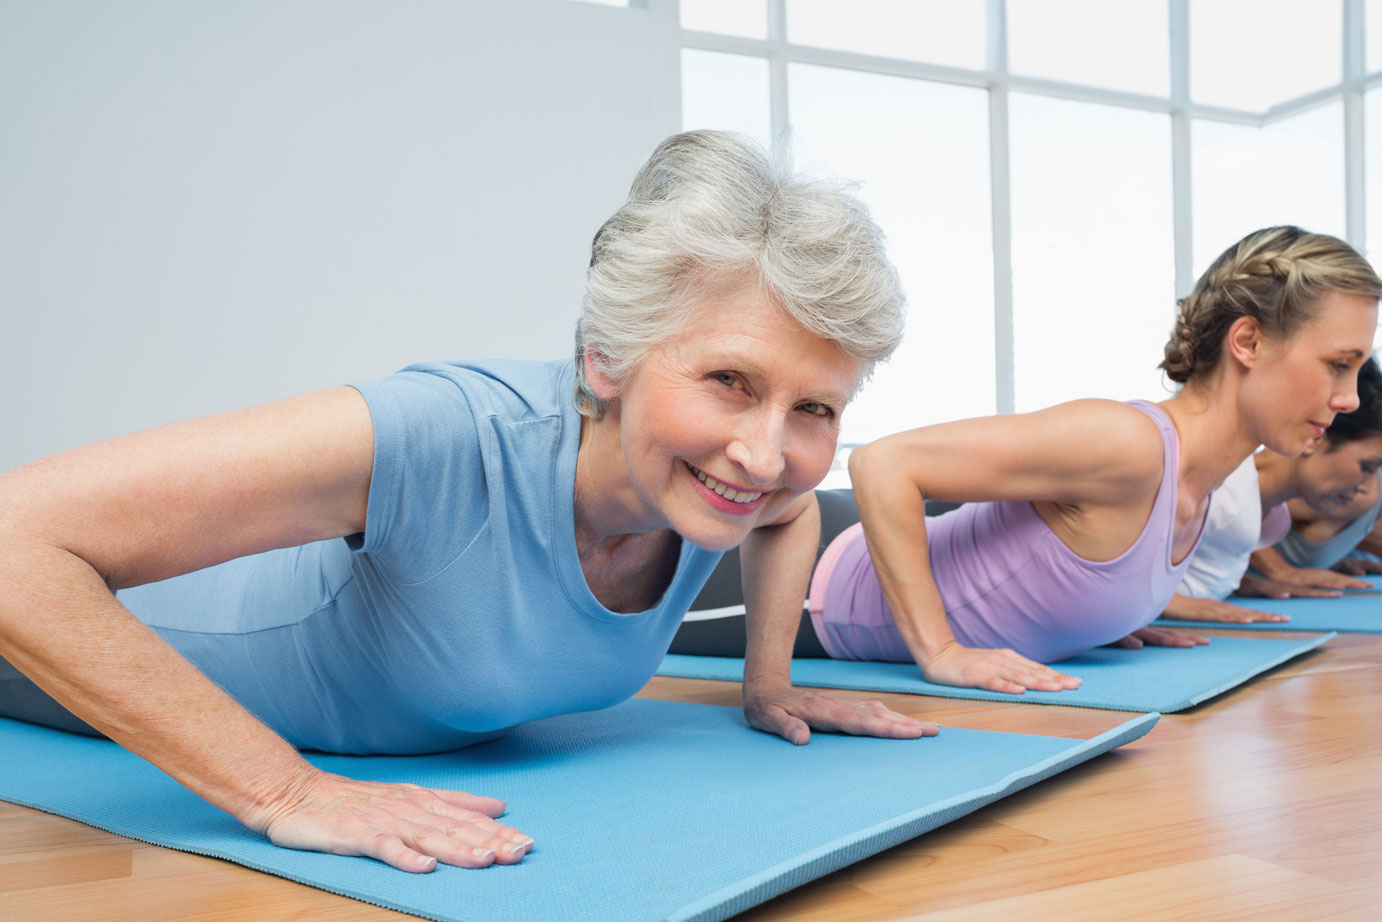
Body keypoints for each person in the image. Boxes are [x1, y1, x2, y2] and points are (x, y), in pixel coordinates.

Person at [0, 130, 935, 874]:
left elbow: (786, 511)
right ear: (604, 358)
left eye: (814, 407)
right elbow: (12, 542)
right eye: (729, 379)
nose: (767, 453)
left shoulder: (721, 489)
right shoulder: (447, 433)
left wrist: (764, 682)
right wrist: (284, 794)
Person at [674, 226, 1382, 695]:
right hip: (809, 586)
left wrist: (1103, 613)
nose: (1349, 398)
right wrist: (941, 651)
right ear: (1249, 342)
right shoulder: (1128, 443)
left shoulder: (1205, 480)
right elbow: (884, 463)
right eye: (1338, 364)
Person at [1162, 356, 1382, 623]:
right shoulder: (1220, 490)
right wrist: (1170, 605)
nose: (1368, 487)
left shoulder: (1267, 513)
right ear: (1317, 436)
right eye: (1368, 466)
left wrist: (1239, 583)